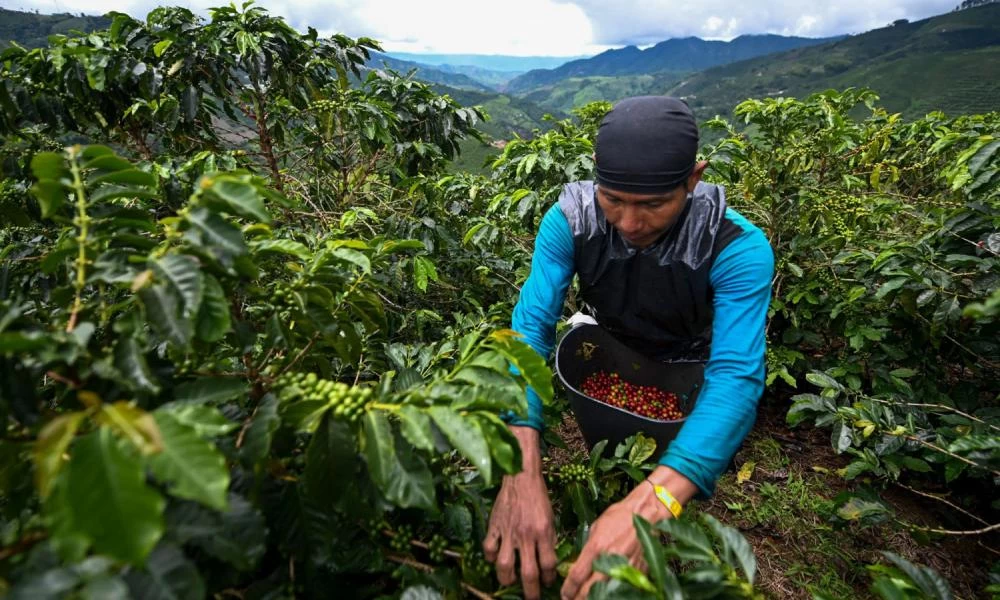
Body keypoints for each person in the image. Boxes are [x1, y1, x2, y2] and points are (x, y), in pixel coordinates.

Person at [482, 96, 774, 600]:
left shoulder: (737, 247)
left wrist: (654, 502)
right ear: (594, 179)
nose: (630, 224)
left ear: (693, 178)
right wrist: (521, 462)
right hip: (613, 339)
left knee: (678, 452)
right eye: (612, 200)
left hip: (689, 358)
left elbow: (734, 376)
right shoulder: (569, 220)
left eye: (654, 205)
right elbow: (531, 327)